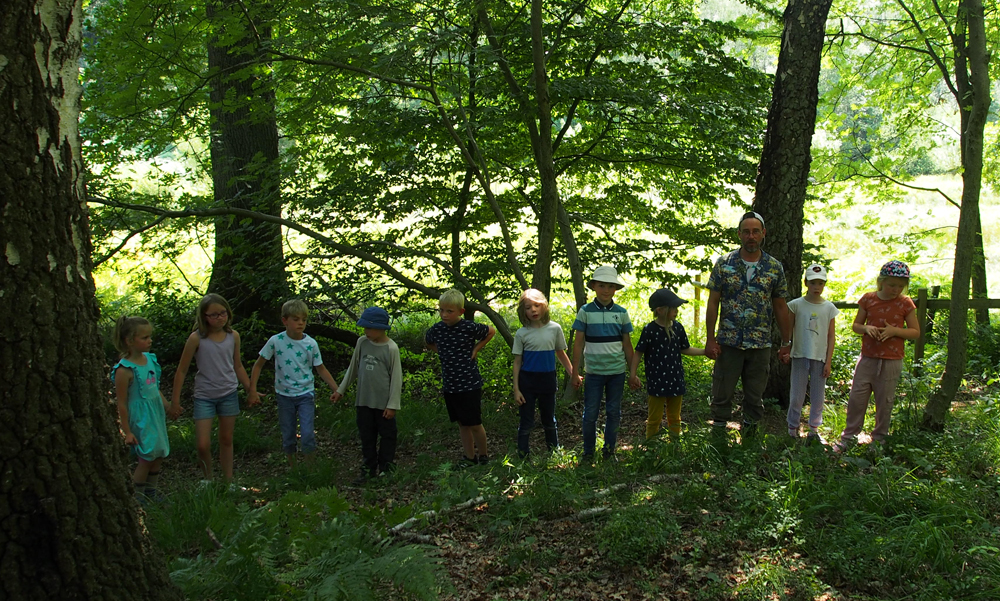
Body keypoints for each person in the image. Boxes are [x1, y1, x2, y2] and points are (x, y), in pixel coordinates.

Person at [705, 211, 792, 438]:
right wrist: (710, 338)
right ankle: (718, 439)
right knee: (722, 391)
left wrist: (786, 342)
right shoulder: (724, 264)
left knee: (755, 395)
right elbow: (713, 302)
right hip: (729, 342)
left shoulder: (774, 267)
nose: (750, 236)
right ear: (739, 235)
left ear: (763, 234)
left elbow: (781, 307)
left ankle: (751, 442)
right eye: (746, 232)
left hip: (759, 344)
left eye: (755, 231)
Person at [833, 260, 919, 452]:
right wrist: (867, 328)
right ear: (881, 282)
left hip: (892, 360)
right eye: (891, 285)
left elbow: (915, 332)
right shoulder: (868, 299)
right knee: (857, 397)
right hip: (868, 357)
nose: (895, 289)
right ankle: (849, 437)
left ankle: (879, 440)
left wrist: (895, 331)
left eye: (900, 286)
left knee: (884, 400)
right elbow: (856, 326)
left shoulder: (905, 303)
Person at [249, 299, 339, 466]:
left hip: (306, 394)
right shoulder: (276, 341)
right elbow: (258, 364)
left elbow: (321, 369)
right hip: (284, 395)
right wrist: (252, 389)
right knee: (288, 434)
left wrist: (336, 389)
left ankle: (310, 468)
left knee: (307, 434)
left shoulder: (310, 344)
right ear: (285, 320)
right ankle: (293, 469)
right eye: (296, 319)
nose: (301, 323)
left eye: (304, 320)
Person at [172, 294, 251, 481]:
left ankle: (228, 480)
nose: (219, 318)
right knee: (202, 444)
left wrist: (250, 389)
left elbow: (237, 365)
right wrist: (175, 402)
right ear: (204, 316)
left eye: (223, 313)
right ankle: (207, 480)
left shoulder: (233, 336)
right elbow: (182, 370)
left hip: (228, 393)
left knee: (226, 439)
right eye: (213, 315)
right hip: (204, 396)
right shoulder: (196, 338)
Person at [425, 289, 496, 466]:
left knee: (474, 423)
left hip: (469, 384)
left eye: (449, 311)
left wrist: (476, 349)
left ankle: (484, 455)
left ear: (460, 312)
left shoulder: (468, 327)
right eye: (441, 310)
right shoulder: (437, 329)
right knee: (462, 424)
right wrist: (440, 352)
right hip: (450, 385)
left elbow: (491, 331)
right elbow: (428, 341)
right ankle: (469, 457)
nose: (444, 314)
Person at [571, 265, 636, 462]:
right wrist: (575, 372)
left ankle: (609, 451)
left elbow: (627, 344)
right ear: (593, 286)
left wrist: (633, 373)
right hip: (593, 372)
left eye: (610, 286)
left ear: (615, 289)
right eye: (601, 285)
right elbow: (579, 342)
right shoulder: (585, 311)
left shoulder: (621, 313)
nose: (606, 290)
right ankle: (588, 452)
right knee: (590, 413)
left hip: (617, 372)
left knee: (613, 412)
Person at [332, 307, 402, 484]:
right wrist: (341, 390)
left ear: (382, 328)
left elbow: (396, 378)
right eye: (365, 328)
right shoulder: (362, 342)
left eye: (370, 328)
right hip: (363, 401)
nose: (367, 332)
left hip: (383, 404)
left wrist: (392, 404)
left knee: (387, 435)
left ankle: (386, 469)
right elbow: (353, 368)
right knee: (367, 436)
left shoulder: (391, 348)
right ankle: (368, 470)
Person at [629, 288, 706, 439]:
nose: (676, 311)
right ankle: (651, 447)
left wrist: (705, 352)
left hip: (675, 379)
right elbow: (639, 352)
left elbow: (685, 348)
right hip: (656, 380)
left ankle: (674, 446)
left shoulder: (677, 328)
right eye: (673, 308)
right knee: (654, 418)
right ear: (660, 310)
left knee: (675, 417)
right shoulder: (650, 330)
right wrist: (633, 374)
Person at [111, 316, 171, 502]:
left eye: (149, 336)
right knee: (146, 456)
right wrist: (126, 431)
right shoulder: (124, 370)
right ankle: (138, 499)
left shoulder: (150, 360)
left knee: (158, 453)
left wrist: (167, 406)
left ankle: (151, 493)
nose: (149, 341)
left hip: (155, 414)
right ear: (129, 341)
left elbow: (154, 388)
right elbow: (121, 402)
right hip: (140, 417)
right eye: (144, 338)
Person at [512, 289, 573, 457]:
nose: (533, 310)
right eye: (528, 307)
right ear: (522, 311)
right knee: (526, 421)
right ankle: (523, 455)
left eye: (537, 306)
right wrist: (516, 389)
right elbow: (517, 361)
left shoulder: (554, 329)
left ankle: (554, 452)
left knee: (549, 418)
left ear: (544, 306)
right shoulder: (522, 333)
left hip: (547, 380)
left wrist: (573, 374)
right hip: (527, 382)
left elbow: (561, 353)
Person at [783, 265, 838, 443]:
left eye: (820, 283)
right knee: (797, 396)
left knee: (818, 396)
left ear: (824, 285)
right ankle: (792, 427)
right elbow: (788, 330)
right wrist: (786, 348)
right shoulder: (796, 305)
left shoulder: (829, 308)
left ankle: (814, 429)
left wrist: (828, 361)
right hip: (800, 355)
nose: (817, 287)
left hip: (820, 357)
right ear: (806, 282)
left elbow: (831, 336)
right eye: (813, 282)